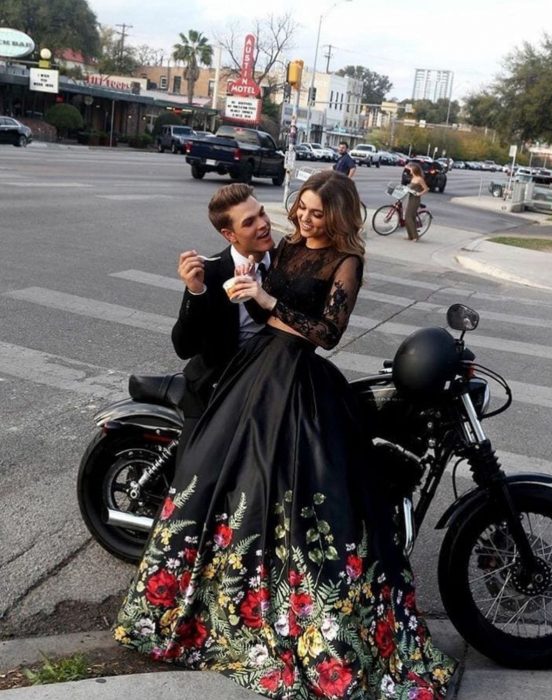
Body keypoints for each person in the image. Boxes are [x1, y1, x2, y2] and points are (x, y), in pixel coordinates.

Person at [115, 170, 455, 699]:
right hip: (251, 374)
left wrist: (269, 303)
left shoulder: (347, 262)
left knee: (308, 501)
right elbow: (254, 308)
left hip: (300, 380)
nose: (302, 219)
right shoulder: (290, 246)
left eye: (316, 213)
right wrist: (240, 290)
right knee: (221, 485)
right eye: (300, 208)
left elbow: (328, 332)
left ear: (338, 216)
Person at [171, 183, 274, 461]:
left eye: (262, 214)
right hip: (218, 387)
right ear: (229, 234)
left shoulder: (284, 262)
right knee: (195, 473)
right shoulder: (213, 271)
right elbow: (184, 347)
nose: (264, 224)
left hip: (273, 379)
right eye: (250, 222)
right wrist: (195, 290)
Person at [404, 163, 429, 241]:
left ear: (414, 171)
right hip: (411, 198)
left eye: (411, 170)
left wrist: (419, 194)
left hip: (415, 199)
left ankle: (415, 236)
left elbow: (426, 189)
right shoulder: (413, 178)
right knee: (411, 217)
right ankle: (410, 235)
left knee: (408, 217)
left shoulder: (419, 179)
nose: (410, 171)